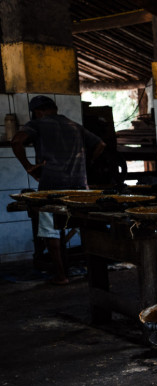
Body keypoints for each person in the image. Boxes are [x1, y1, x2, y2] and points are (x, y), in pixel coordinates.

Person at [11, 96, 105, 284]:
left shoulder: (37, 124)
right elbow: (101, 144)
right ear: (54, 108)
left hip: (51, 187)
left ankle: (61, 276)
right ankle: (93, 273)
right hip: (80, 186)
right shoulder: (74, 125)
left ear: (37, 112)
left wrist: (28, 166)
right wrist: (88, 162)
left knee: (50, 231)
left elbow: (16, 141)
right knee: (86, 225)